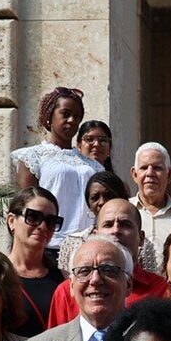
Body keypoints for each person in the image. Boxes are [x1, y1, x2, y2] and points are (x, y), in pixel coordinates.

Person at [46, 198, 170, 327]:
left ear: (141, 238)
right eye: (108, 224)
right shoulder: (68, 291)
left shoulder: (161, 289)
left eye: (125, 224)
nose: (116, 230)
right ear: (94, 234)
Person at [12, 87, 102, 245]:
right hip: (49, 244)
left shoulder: (93, 166)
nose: (72, 120)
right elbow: (26, 206)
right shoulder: (32, 157)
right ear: (49, 117)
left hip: (87, 245)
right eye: (65, 114)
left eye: (76, 116)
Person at [4, 186, 67, 338]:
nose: (43, 226)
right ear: (12, 221)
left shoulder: (64, 277)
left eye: (51, 221)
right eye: (33, 217)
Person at [129, 142, 171, 272]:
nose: (150, 173)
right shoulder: (122, 213)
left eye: (157, 168)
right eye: (144, 168)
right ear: (134, 174)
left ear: (170, 174)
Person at [55, 170, 134, 273]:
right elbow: (70, 284)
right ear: (88, 204)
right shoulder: (73, 243)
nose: (101, 202)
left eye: (108, 195)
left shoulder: (138, 242)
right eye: (95, 198)